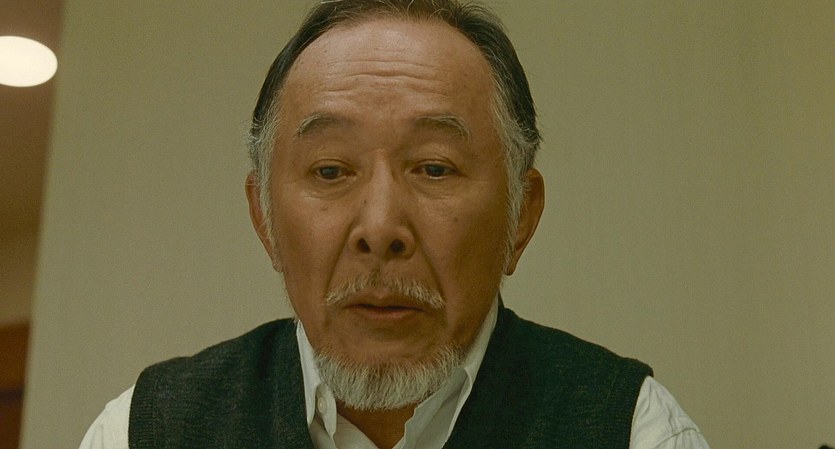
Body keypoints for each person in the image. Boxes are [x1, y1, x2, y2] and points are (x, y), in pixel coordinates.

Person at [80, 1, 710, 448]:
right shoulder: (143, 431)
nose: (380, 228)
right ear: (264, 219)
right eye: (331, 170)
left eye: (434, 168)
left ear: (522, 216)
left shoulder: (633, 429)